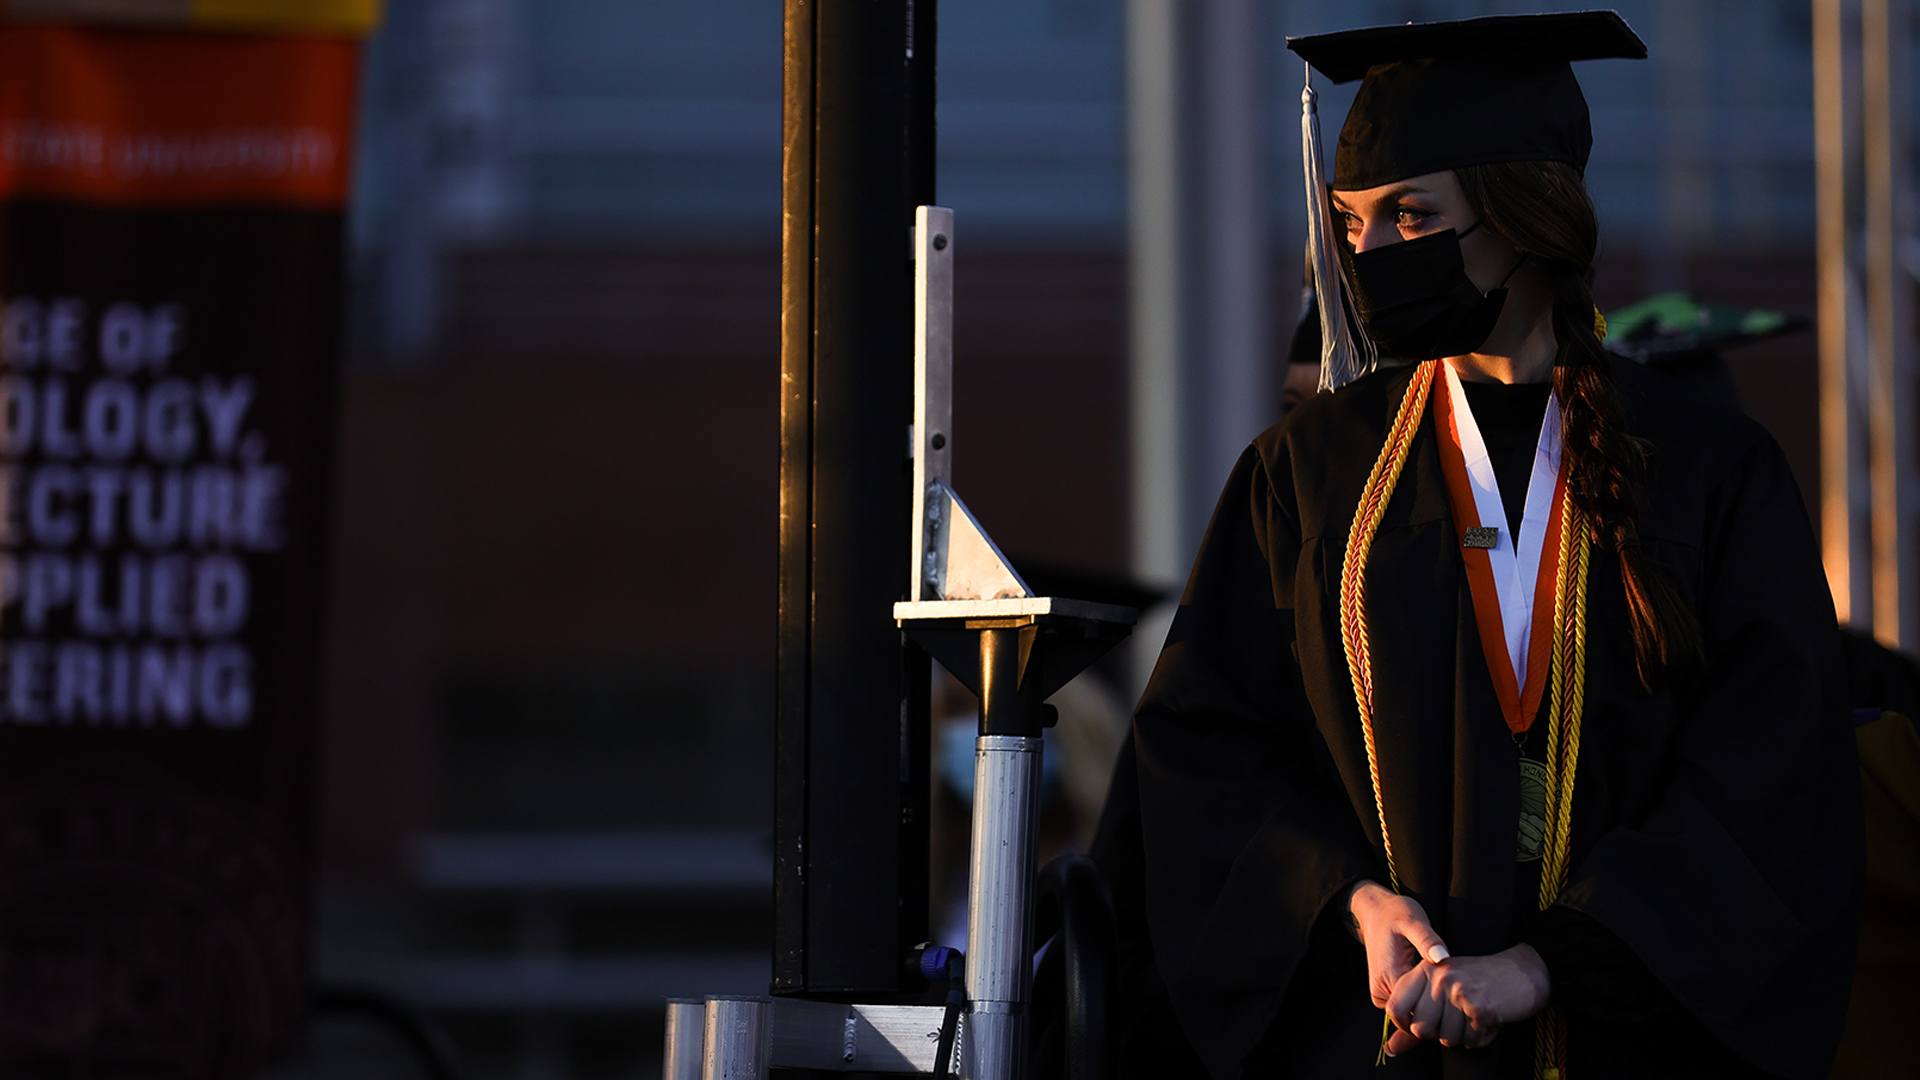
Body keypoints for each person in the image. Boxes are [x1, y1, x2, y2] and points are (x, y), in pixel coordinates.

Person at [1130, 12, 1862, 1078]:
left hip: (1625, 1047)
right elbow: (1208, 752)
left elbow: (1770, 777)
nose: (1369, 254)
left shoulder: (1706, 471)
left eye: (1412, 215)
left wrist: (1553, 961)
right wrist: (1349, 901)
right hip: (1383, 1039)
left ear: (1523, 218)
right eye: (1351, 222)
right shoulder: (1309, 473)